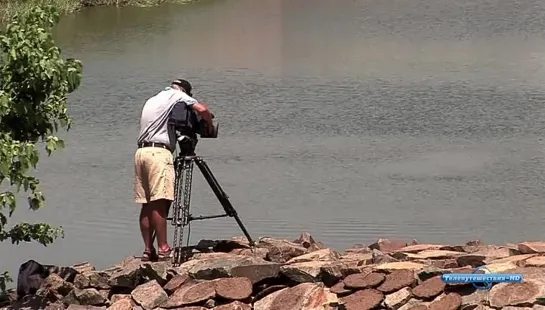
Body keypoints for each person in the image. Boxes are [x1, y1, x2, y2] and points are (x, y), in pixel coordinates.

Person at [134, 78, 215, 261]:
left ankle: (148, 250)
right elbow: (202, 110)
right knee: (160, 202)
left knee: (147, 205)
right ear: (185, 92)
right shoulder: (177, 95)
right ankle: (164, 249)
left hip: (141, 153)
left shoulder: (153, 99)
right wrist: (208, 124)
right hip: (158, 154)